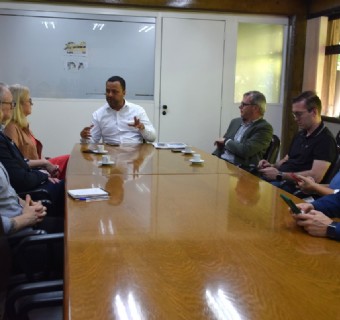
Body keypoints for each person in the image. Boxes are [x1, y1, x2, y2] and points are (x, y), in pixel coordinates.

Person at [0, 84, 64, 216]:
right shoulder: (10, 129)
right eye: (29, 100)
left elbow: (20, 163)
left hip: (29, 182)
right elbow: (19, 174)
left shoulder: (19, 127)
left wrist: (42, 173)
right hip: (27, 189)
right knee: (67, 184)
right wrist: (43, 174)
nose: (12, 106)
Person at [258, 91, 337, 194]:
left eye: (299, 114)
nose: (295, 119)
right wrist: (272, 166)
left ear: (314, 112)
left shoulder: (325, 140)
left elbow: (315, 177)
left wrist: (280, 175)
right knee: (251, 181)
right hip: (282, 179)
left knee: (263, 190)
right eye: (294, 114)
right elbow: (287, 159)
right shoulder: (300, 134)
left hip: (297, 187)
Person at [4, 84, 69, 179]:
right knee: (69, 161)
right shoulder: (11, 128)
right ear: (19, 103)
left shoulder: (24, 127)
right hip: (32, 173)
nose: (32, 103)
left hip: (40, 168)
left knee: (70, 160)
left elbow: (38, 154)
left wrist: (46, 164)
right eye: (29, 100)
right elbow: (17, 162)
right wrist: (45, 163)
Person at [80, 75, 156, 145]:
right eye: (107, 91)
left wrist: (142, 128)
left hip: (135, 155)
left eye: (114, 91)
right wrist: (84, 138)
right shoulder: (98, 114)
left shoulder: (138, 111)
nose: (110, 95)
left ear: (124, 93)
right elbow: (92, 142)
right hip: (110, 155)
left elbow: (152, 138)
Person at [212, 90, 273, 167]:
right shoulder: (235, 122)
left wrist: (226, 141)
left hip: (240, 169)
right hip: (222, 164)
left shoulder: (264, 128)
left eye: (244, 104)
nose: (240, 107)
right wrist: (213, 157)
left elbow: (245, 151)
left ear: (255, 108)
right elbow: (221, 146)